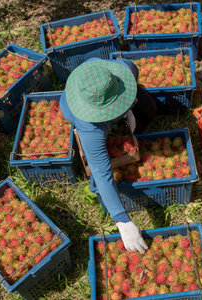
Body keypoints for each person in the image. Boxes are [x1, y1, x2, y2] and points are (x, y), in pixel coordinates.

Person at [59, 57, 162, 253]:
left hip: (110, 91)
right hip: (81, 114)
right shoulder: (90, 129)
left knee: (149, 109)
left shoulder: (124, 70)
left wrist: (129, 107)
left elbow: (132, 66)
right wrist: (122, 220)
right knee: (109, 142)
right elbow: (102, 174)